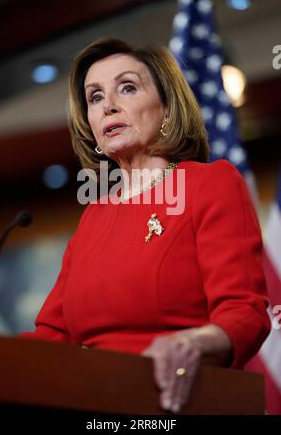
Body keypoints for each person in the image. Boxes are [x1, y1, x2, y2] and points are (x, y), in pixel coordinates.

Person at [18, 37, 271, 414]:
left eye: (127, 87)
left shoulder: (210, 183)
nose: (109, 106)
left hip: (181, 398)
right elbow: (53, 335)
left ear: (167, 107)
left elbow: (244, 311)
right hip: (93, 403)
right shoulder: (94, 215)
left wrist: (196, 343)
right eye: (95, 97)